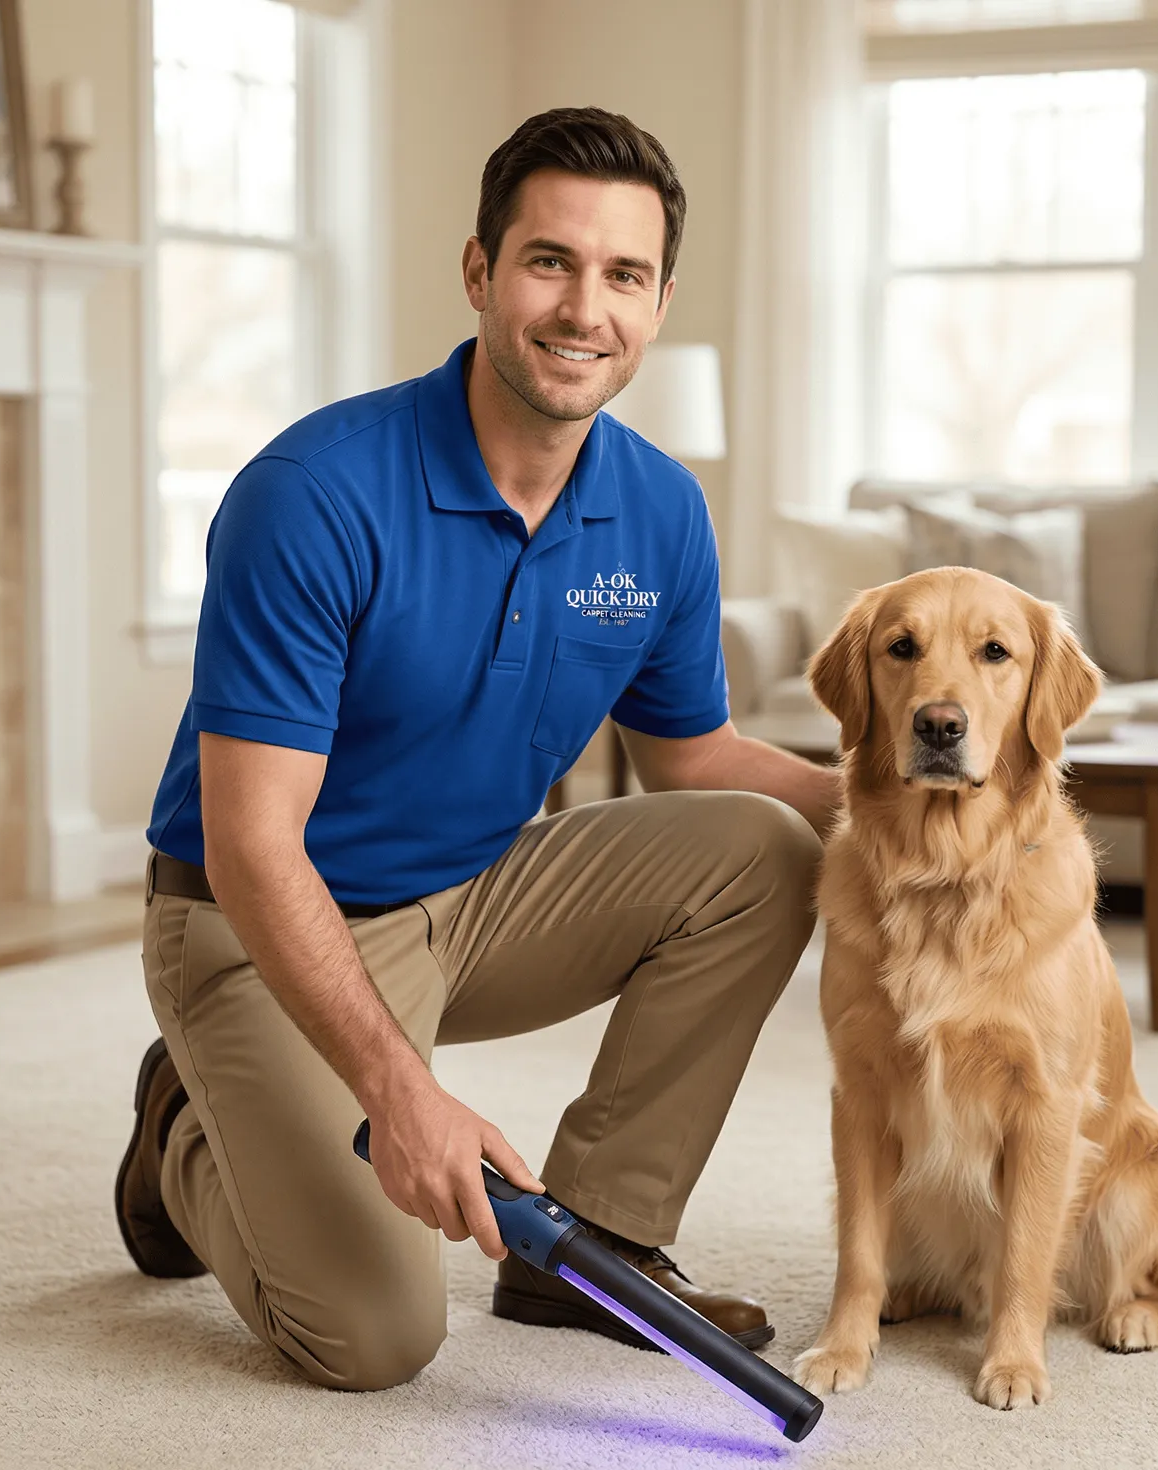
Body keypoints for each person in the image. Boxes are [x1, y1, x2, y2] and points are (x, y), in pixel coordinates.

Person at [117, 106, 840, 1392]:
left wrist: (894, 805)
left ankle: (595, 1238)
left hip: (471, 892)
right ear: (479, 273)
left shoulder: (661, 509)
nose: (582, 309)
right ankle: (184, 1121)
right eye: (548, 262)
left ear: (659, 301)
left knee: (769, 849)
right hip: (259, 917)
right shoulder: (316, 494)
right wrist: (401, 1089)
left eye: (622, 275)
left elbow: (695, 759)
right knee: (373, 1337)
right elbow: (250, 841)